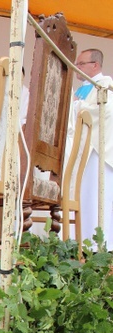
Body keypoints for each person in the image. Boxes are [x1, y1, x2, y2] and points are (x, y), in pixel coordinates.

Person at [69, 48, 113, 247]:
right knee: (83, 197)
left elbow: (103, 112)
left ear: (95, 65)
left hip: (96, 153)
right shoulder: (83, 88)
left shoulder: (105, 85)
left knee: (96, 198)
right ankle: (81, 241)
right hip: (81, 151)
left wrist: (77, 107)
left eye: (81, 64)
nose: (76, 68)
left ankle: (98, 246)